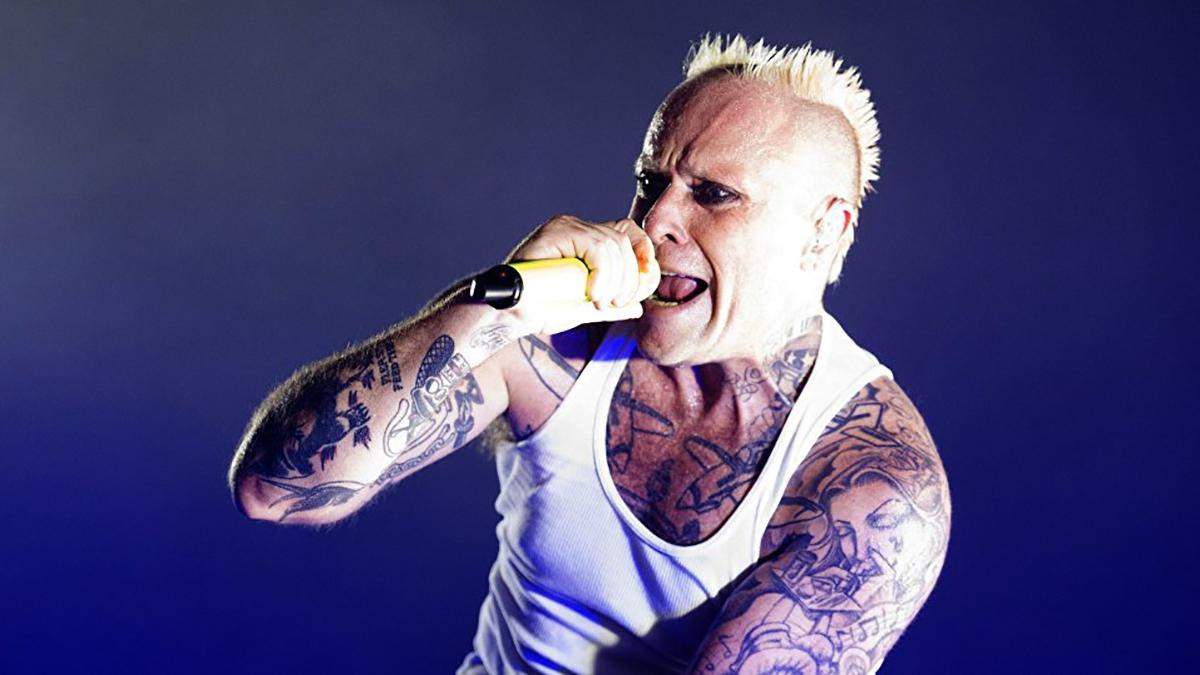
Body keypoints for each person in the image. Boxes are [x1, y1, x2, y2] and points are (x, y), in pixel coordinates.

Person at [228, 34, 951, 674]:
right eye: (650, 183)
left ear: (824, 230)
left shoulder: (872, 491)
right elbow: (274, 489)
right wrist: (496, 304)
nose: (656, 221)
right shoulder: (555, 333)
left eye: (714, 195)